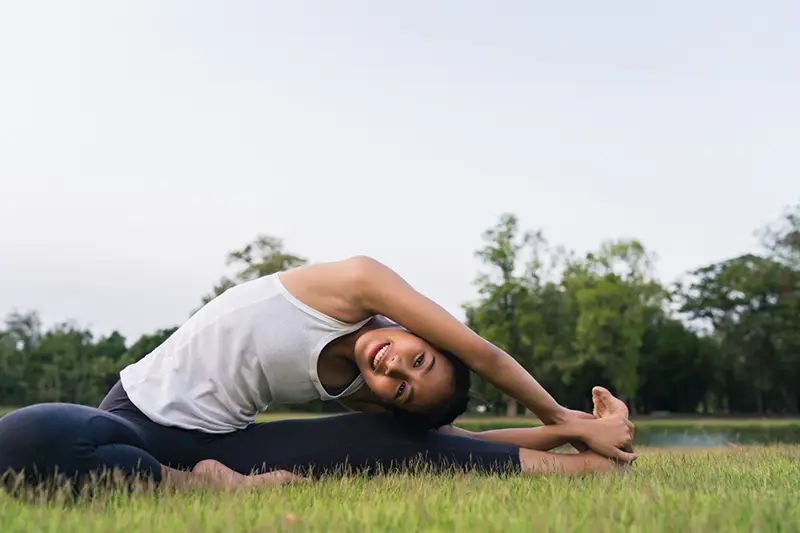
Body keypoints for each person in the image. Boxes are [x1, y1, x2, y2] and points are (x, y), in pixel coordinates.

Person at [0, 256, 635, 492]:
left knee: (393, 445)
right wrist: (565, 416)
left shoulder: (363, 387)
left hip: (220, 445)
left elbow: (436, 443)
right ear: (423, 336)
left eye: (402, 389)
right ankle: (199, 487)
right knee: (26, 442)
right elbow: (484, 356)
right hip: (135, 416)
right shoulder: (357, 284)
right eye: (419, 359)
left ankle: (589, 468)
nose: (396, 367)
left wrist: (567, 442)